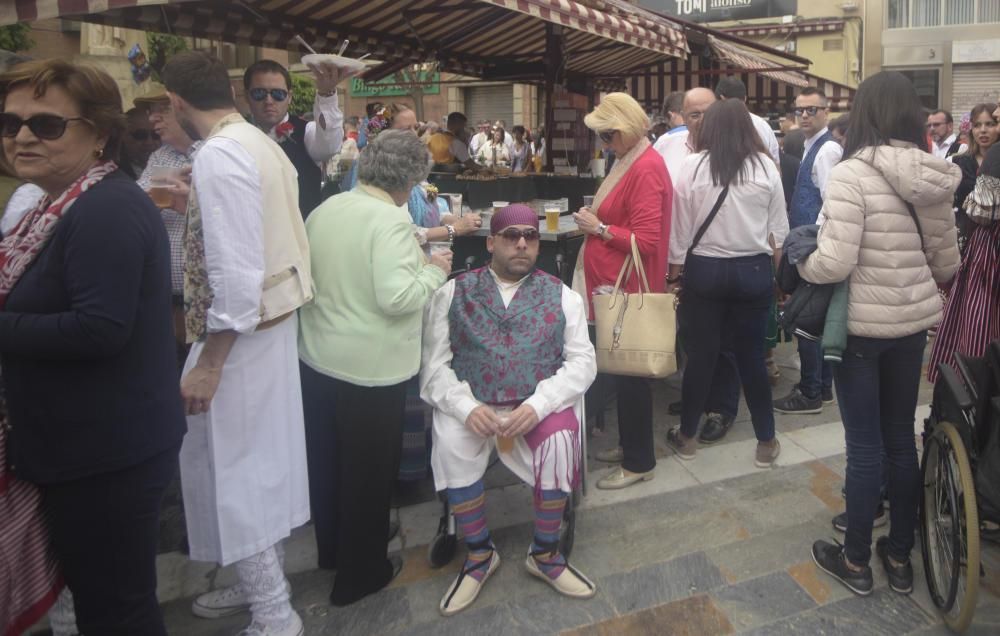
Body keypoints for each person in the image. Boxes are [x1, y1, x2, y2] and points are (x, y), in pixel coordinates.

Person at [0, 59, 185, 635]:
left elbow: (98, 329)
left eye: (48, 125)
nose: (23, 136)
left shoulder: (107, 208)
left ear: (98, 133)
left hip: (106, 454)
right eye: (10, 123)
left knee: (116, 609)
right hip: (75, 444)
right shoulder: (52, 206)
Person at [163, 51, 312, 636]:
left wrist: (210, 363)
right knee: (255, 467)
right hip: (264, 326)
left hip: (239, 336)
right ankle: (262, 588)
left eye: (162, 110)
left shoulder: (223, 153)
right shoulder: (255, 140)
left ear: (177, 101)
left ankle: (274, 611)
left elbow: (235, 273)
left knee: (238, 472)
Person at [801, 71, 960, 597]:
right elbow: (946, 264)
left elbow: (835, 261)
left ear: (865, 113)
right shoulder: (935, 175)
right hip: (911, 326)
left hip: (862, 331)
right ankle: (899, 557)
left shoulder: (851, 174)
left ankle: (854, 561)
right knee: (900, 440)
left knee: (864, 445)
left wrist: (803, 263)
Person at [299, 129, 451, 606]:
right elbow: (397, 298)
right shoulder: (388, 219)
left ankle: (332, 553)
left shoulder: (326, 209)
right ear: (410, 181)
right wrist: (435, 268)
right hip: (370, 369)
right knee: (366, 476)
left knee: (328, 468)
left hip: (318, 360)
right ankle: (360, 574)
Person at [422, 204, 597, 615]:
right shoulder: (452, 292)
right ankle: (480, 554)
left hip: (533, 406)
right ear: (490, 242)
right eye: (510, 235)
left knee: (558, 439)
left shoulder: (562, 295)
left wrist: (539, 405)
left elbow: (583, 361)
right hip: (475, 402)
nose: (521, 243)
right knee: (450, 437)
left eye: (530, 236)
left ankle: (545, 554)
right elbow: (432, 368)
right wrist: (466, 407)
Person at [663, 99, 788, 465]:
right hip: (753, 272)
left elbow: (680, 232)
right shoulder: (765, 166)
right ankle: (766, 442)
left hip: (704, 271)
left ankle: (687, 437)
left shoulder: (692, 166)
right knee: (752, 359)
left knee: (701, 357)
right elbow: (778, 232)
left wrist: (673, 278)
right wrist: (781, 281)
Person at [572, 92, 672, 490]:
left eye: (608, 135)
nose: (604, 144)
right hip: (617, 287)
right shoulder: (631, 159)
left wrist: (598, 229)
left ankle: (638, 461)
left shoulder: (644, 168)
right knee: (625, 376)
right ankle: (633, 447)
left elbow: (646, 241)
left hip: (627, 289)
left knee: (629, 378)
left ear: (628, 129)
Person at [772, 87, 843, 415]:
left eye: (811, 110)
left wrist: (815, 244)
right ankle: (821, 387)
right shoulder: (812, 145)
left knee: (807, 322)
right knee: (815, 318)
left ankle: (812, 390)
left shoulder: (826, 150)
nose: (804, 115)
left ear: (825, 112)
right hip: (810, 243)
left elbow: (832, 201)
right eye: (799, 110)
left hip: (813, 246)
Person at [928, 103, 1000, 384]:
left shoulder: (995, 155)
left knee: (979, 319)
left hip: (987, 246)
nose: (987, 129)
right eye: (980, 124)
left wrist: (973, 202)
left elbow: (981, 208)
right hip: (966, 241)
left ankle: (977, 381)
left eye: (992, 122)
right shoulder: (960, 160)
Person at [243, 59, 346, 219]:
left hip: (302, 235)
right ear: (247, 96)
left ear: (289, 97)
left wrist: (326, 95)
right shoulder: (238, 137)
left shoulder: (306, 131)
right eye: (259, 94)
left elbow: (329, 146)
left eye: (278, 94)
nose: (269, 101)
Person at [135, 91, 198, 353]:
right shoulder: (161, 157)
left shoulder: (215, 153)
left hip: (204, 301)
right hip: (163, 299)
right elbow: (134, 208)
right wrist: (157, 194)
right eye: (152, 110)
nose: (153, 118)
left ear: (184, 109)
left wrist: (194, 203)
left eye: (163, 109)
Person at [944, 103, 999, 253]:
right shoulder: (956, 162)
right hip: (964, 239)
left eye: (990, 124)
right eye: (977, 125)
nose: (983, 130)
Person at [714, 77, 780, 164]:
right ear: (745, 98)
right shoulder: (763, 125)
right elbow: (775, 162)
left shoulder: (713, 124)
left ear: (721, 98)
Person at [121, 106, 160, 178]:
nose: (149, 142)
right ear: (123, 136)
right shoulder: (114, 173)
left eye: (156, 134)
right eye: (141, 135)